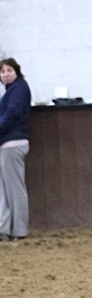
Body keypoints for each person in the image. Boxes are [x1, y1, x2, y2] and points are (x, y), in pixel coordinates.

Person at [0, 58, 31, 241]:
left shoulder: (18, 89)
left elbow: (12, 114)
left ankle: (18, 230)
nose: (5, 74)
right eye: (2, 71)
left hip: (13, 143)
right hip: (8, 143)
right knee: (6, 188)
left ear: (16, 72)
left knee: (13, 189)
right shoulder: (13, 91)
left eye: (9, 70)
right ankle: (5, 229)